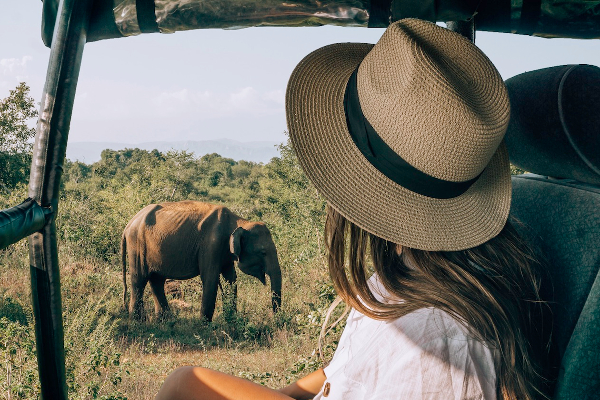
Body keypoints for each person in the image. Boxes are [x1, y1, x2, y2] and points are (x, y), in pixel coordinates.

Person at [155, 18, 548, 400]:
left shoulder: (438, 345)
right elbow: (343, 370)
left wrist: (187, 384)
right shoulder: (409, 272)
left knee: (185, 384)